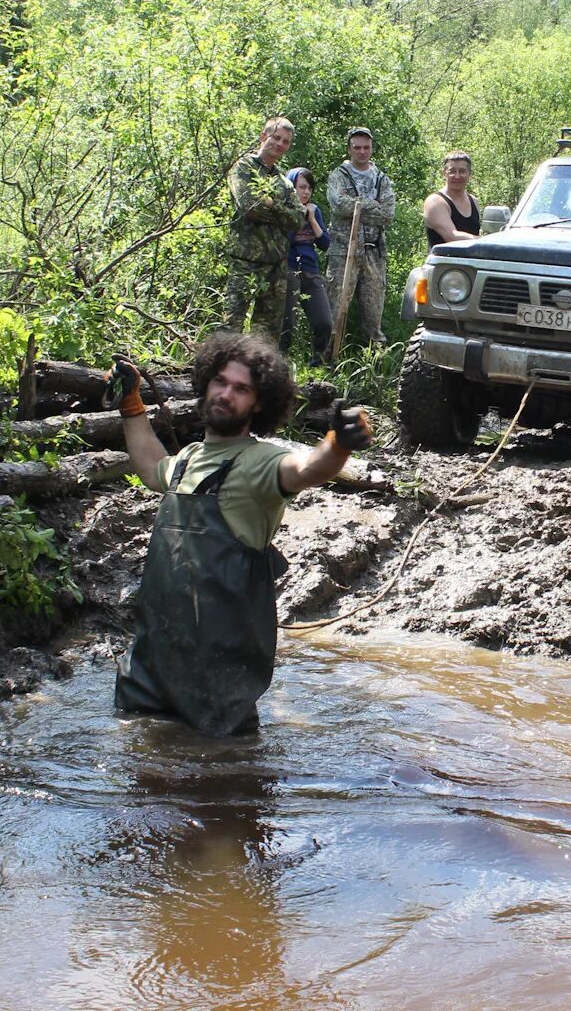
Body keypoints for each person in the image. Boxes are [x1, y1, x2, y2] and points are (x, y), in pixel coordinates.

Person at [109, 333, 373, 736]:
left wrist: (338, 443)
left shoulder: (262, 462)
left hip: (220, 687)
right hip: (149, 672)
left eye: (241, 389)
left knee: (226, 784)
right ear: (206, 383)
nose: (226, 394)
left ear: (259, 403)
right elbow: (151, 465)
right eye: (221, 382)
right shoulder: (188, 460)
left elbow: (306, 469)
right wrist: (131, 404)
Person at [222, 117, 304, 344]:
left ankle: (255, 378)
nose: (280, 144)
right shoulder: (244, 167)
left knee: (266, 336)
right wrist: (280, 211)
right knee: (231, 328)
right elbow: (250, 206)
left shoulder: (283, 181)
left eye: (286, 141)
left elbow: (298, 220)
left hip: (276, 265)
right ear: (263, 136)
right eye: (276, 137)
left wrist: (272, 203)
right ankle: (219, 375)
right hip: (245, 260)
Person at [325, 126, 396, 348]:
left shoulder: (381, 179)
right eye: (357, 147)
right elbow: (338, 205)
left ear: (372, 149)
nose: (362, 152)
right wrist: (370, 204)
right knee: (335, 306)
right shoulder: (338, 176)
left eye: (366, 147)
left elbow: (388, 214)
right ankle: (328, 354)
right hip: (342, 251)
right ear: (349, 149)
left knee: (373, 311)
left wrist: (356, 206)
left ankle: (374, 360)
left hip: (374, 251)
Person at [278, 166, 333, 361]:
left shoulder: (314, 210)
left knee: (324, 322)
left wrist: (311, 218)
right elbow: (286, 240)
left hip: (311, 270)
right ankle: (279, 364)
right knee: (287, 323)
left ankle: (318, 363)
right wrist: (298, 216)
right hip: (289, 268)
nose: (306, 192)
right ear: (291, 187)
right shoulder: (283, 209)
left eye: (309, 188)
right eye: (301, 187)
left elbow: (326, 244)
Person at [423, 150, 481, 246]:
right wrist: (486, 241)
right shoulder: (435, 201)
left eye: (462, 171)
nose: (457, 176)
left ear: (469, 174)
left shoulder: (474, 201)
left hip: (470, 260)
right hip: (443, 260)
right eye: (452, 171)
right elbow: (452, 236)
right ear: (444, 173)